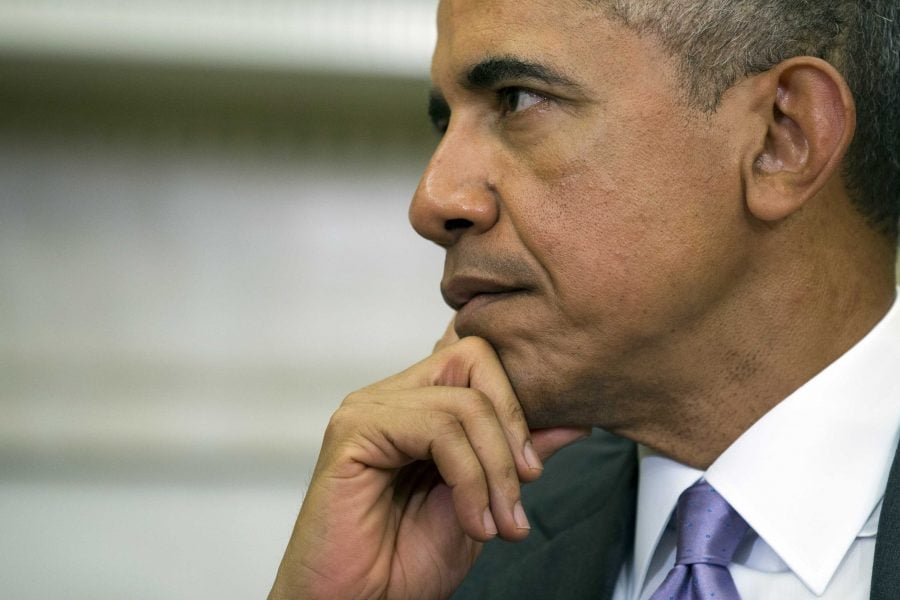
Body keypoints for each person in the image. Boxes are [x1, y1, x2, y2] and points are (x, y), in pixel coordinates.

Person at [269, 0, 900, 598]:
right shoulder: (455, 544)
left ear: (781, 138)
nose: (433, 200)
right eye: (445, 122)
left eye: (517, 99)